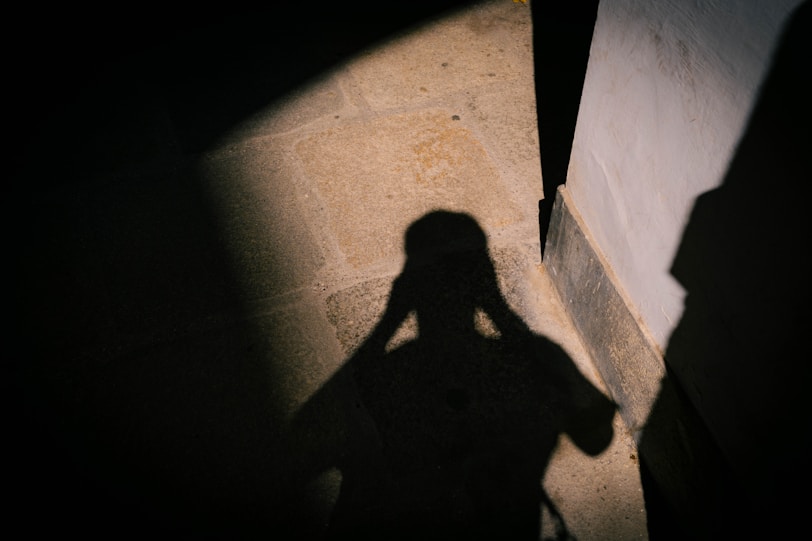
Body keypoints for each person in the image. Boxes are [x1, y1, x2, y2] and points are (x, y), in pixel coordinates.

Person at [287, 210, 616, 540]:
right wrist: (499, 310)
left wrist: (388, 323)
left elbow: (302, 444)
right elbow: (596, 443)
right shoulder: (533, 357)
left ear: (407, 293)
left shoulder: (394, 364)